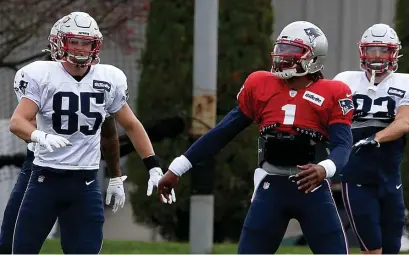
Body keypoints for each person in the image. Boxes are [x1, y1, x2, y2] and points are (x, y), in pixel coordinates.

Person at [158, 21, 354, 254]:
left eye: (292, 51)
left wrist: (325, 168)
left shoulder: (333, 91)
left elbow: (343, 144)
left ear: (313, 57)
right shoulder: (260, 84)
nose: (282, 56)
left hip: (312, 189)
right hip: (271, 187)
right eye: (281, 49)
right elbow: (223, 132)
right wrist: (177, 168)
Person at [8, 12, 174, 254]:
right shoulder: (40, 75)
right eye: (74, 41)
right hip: (44, 179)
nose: (81, 48)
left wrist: (153, 166)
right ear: (58, 42)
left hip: (84, 183)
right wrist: (40, 136)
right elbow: (17, 121)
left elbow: (130, 125)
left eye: (86, 42)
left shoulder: (109, 78)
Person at [333, 23, 408, 254]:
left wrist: (375, 138)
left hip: (389, 177)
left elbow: (404, 121)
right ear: (362, 51)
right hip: (356, 177)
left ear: (393, 52)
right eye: (372, 49)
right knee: (372, 248)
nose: (376, 56)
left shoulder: (404, 82)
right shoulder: (345, 80)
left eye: (383, 50)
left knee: (392, 248)